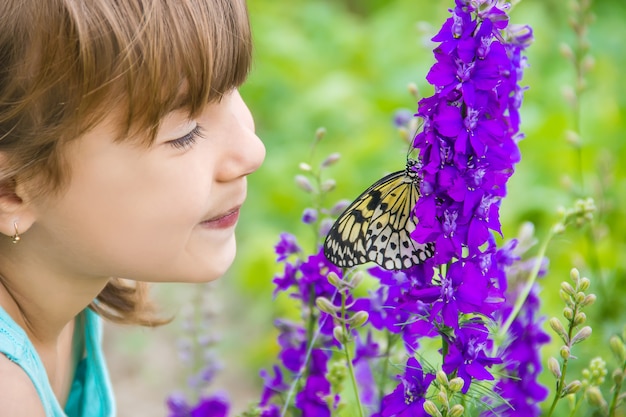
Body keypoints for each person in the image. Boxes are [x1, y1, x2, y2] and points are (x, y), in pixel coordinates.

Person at [0, 0, 265, 415]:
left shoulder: (62, 276)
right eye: (185, 132)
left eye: (232, 90)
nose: (252, 151)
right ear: (10, 190)